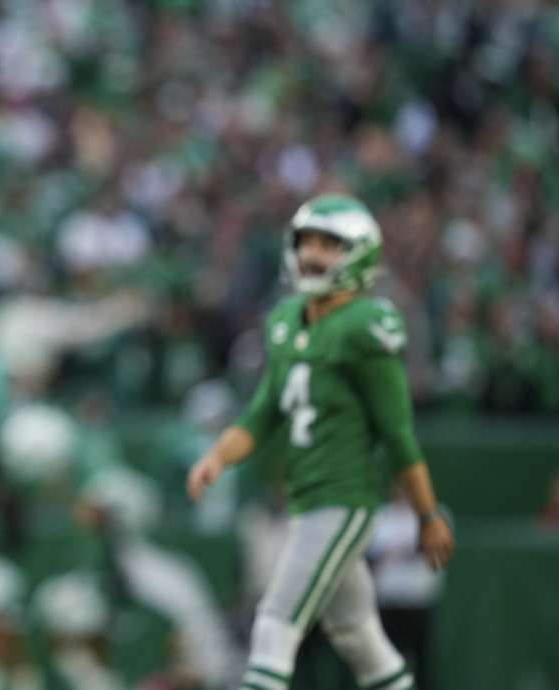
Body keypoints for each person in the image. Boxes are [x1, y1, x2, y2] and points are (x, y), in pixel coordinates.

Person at [186, 194, 455, 690]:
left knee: (274, 623)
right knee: (358, 637)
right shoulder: (287, 320)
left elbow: (397, 433)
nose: (313, 255)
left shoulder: (367, 327)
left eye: (330, 245)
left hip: (343, 499)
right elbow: (264, 411)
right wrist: (218, 458)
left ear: (360, 254)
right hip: (307, 500)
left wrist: (427, 512)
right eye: (307, 242)